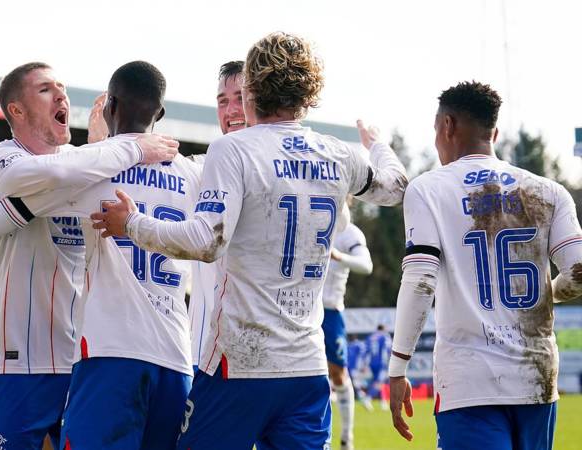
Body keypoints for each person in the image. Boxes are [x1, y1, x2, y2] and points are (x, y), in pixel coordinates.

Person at [93, 32, 407, 449]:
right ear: (310, 92)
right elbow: (396, 186)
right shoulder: (340, 155)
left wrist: (132, 222)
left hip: (238, 363)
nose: (230, 109)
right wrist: (375, 144)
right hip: (305, 368)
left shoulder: (232, 151)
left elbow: (205, 243)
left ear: (254, 89)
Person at [0, 62, 178, 450]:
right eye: (46, 89)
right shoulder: (2, 160)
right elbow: (36, 189)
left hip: (84, 362)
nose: (61, 95)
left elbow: (9, 210)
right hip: (21, 365)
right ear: (17, 111)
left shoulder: (90, 161)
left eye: (62, 87)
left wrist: (109, 146)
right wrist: (128, 146)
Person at [387, 80, 582, 450]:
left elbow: (421, 280)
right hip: (536, 378)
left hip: (469, 381)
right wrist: (547, 292)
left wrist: (398, 368)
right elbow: (578, 272)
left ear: (447, 126)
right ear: (494, 132)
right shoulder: (547, 190)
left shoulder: (429, 188)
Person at [189, 60, 246, 371]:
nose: (231, 110)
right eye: (223, 101)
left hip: (272, 357)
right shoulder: (200, 168)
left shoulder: (283, 172)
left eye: (240, 97)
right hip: (206, 355)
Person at [320, 204, 373, 450]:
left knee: (338, 374)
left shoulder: (349, 233)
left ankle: (346, 437)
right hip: (301, 310)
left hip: (330, 311)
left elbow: (367, 265)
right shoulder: (314, 219)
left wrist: (338, 256)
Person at [365, 324, 391, 408]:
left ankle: (383, 402)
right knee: (379, 382)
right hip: (381, 363)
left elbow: (366, 351)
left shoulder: (370, 337)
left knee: (377, 381)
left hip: (372, 363)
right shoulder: (384, 336)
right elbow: (388, 349)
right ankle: (368, 398)